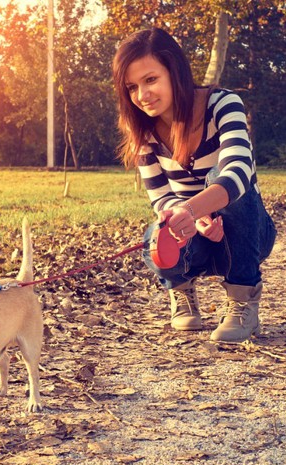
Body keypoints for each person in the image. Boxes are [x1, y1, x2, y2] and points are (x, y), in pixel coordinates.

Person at [112, 27, 277, 342]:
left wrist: (192, 208)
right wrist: (191, 220)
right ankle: (181, 290)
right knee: (155, 233)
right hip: (196, 243)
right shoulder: (144, 135)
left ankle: (243, 302)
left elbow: (240, 171)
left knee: (221, 175)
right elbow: (161, 200)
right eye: (132, 87)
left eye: (150, 80)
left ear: (174, 71)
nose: (142, 95)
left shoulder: (223, 104)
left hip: (249, 234)